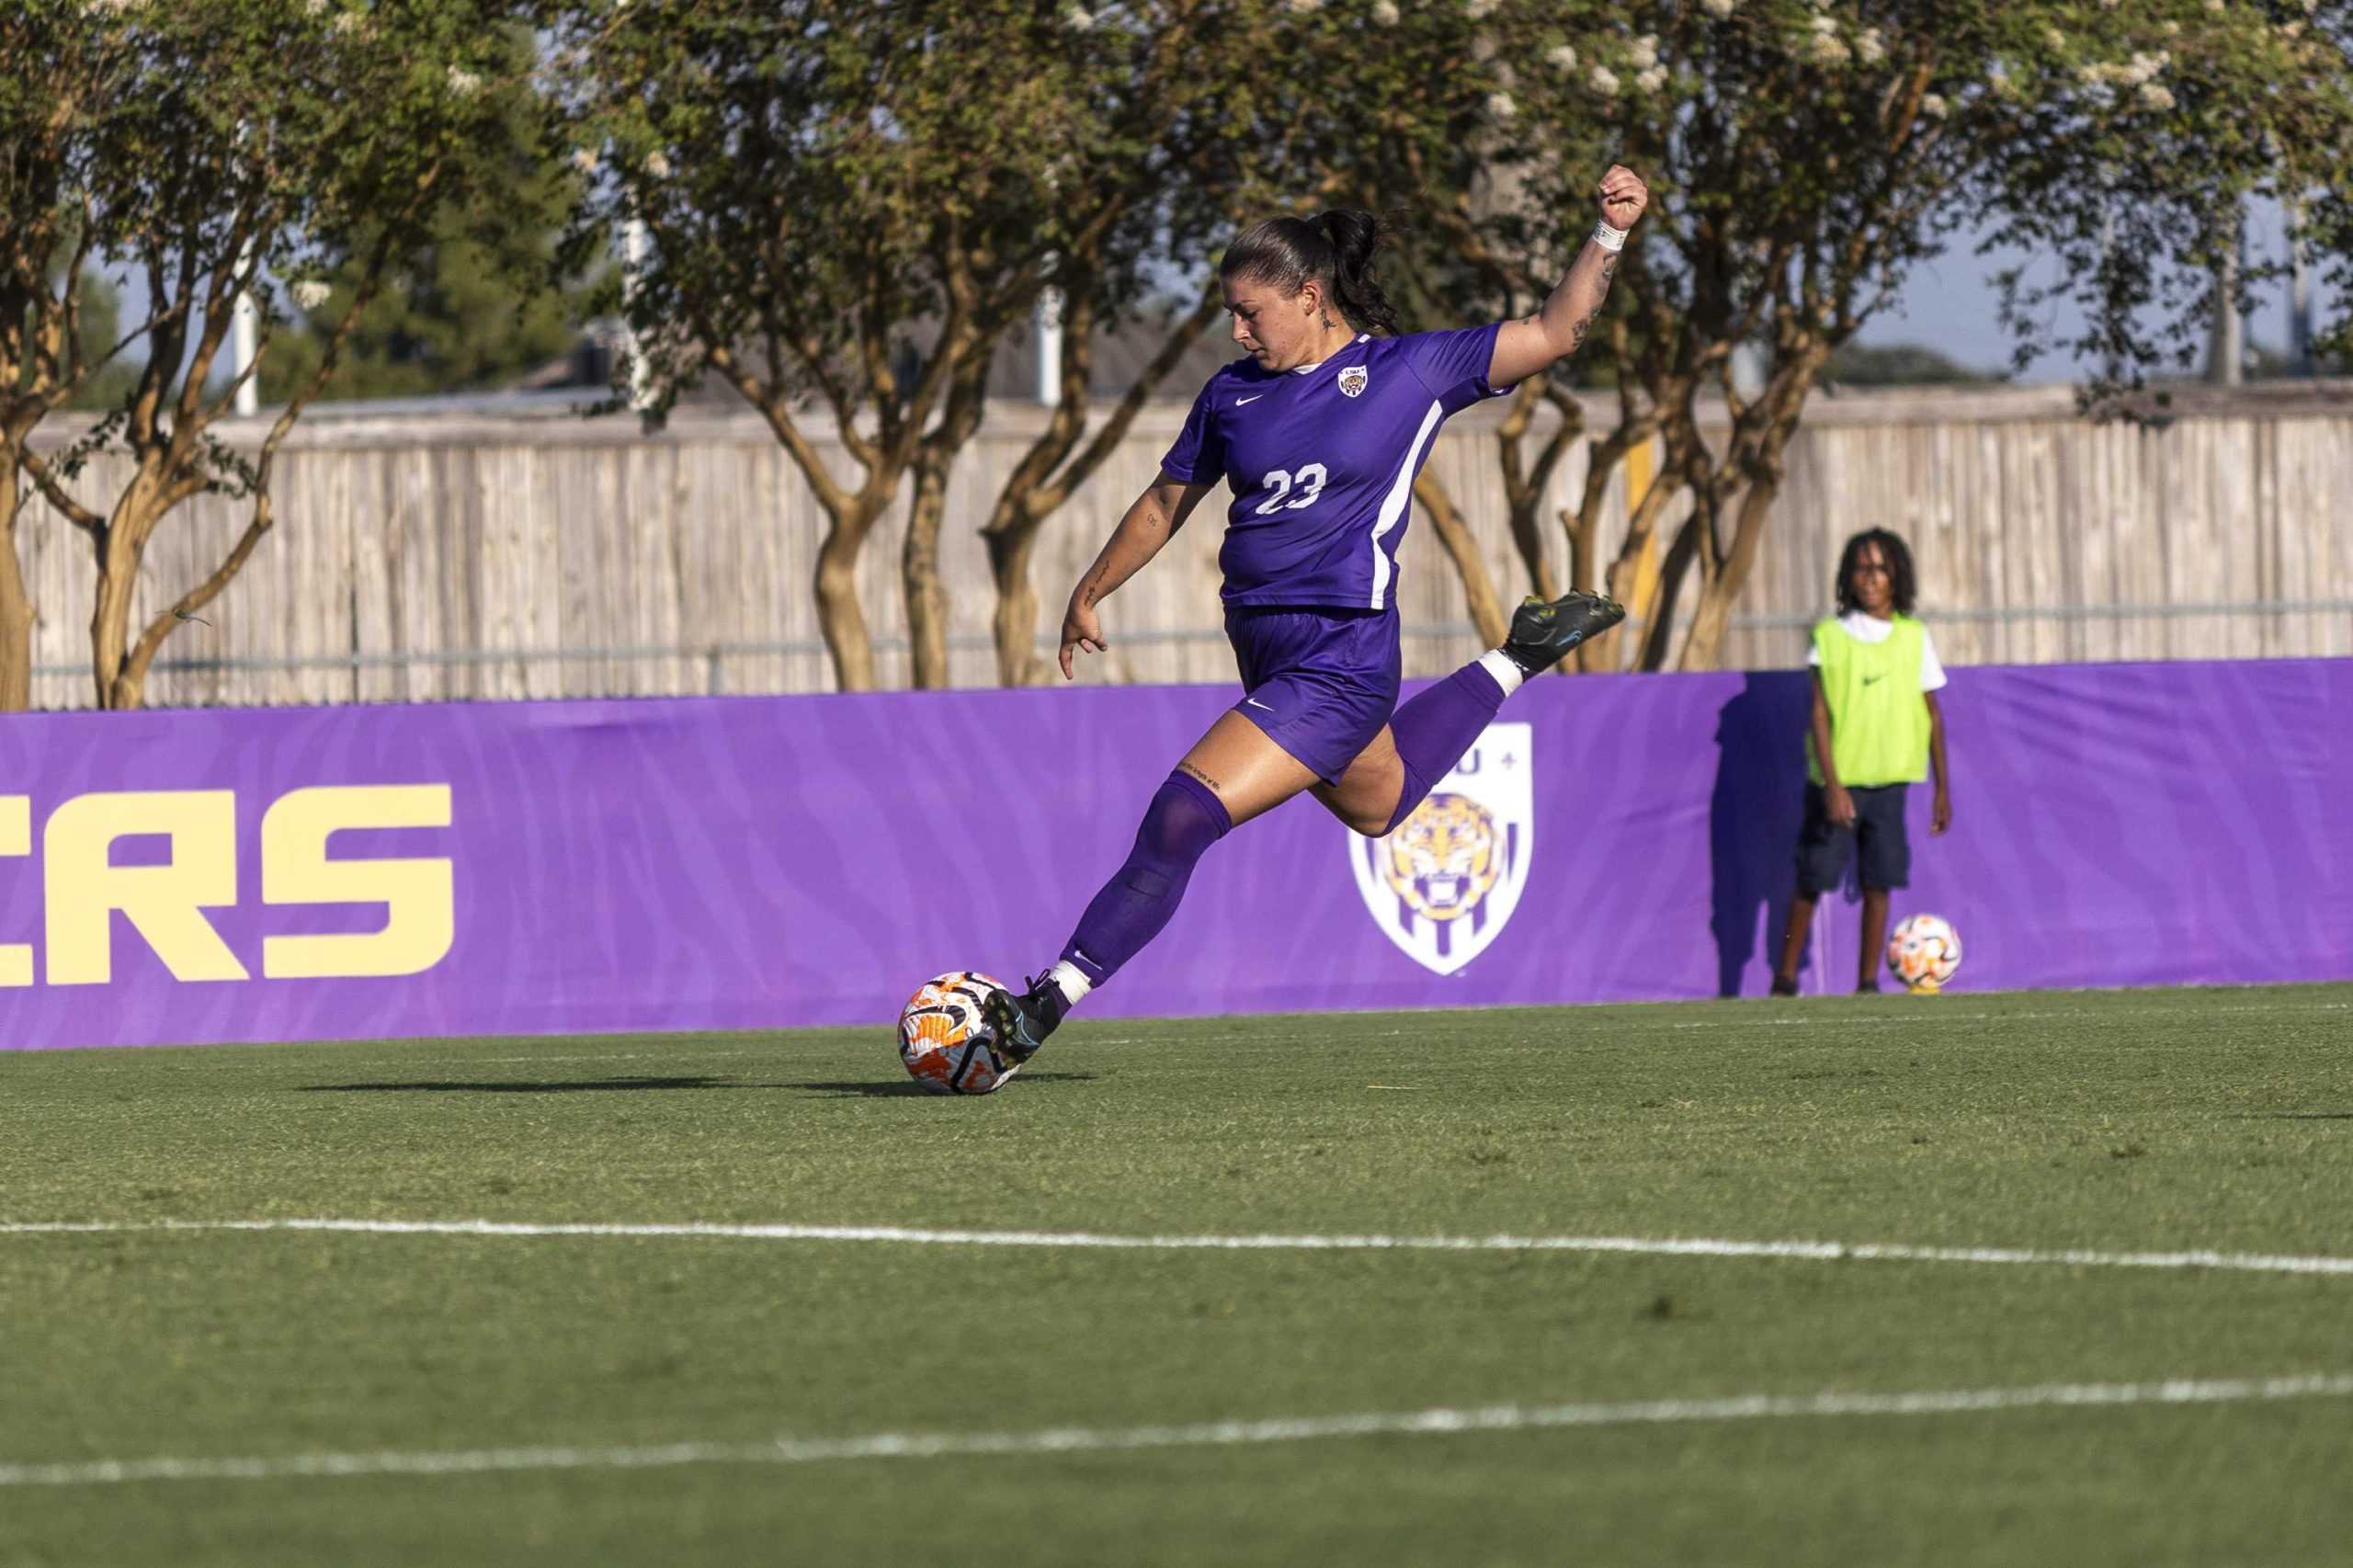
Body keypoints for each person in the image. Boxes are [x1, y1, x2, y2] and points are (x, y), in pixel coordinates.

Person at [983, 166, 1652, 1060]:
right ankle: (1516, 658)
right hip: (1265, 653)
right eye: (1230, 311)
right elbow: (1162, 503)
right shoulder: (1231, 392)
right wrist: (1090, 588)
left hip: (1338, 657)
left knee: (1180, 817)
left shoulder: (1407, 369)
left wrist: (1607, 232)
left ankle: (1042, 1003)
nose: (1235, 328)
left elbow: (1556, 330)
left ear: (1310, 295)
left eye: (1251, 311)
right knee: (1378, 805)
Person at [1768, 528, 1952, 996]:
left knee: (1879, 881)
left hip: (1890, 781)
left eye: (1879, 568)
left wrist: (1942, 788)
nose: (1869, 578)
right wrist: (1832, 784)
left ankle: (1868, 982)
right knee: (1813, 879)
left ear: (1897, 576)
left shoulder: (1914, 636)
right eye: (1861, 567)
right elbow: (1819, 713)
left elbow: (1932, 712)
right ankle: (1784, 977)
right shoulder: (1830, 636)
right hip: (1838, 784)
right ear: (1848, 577)